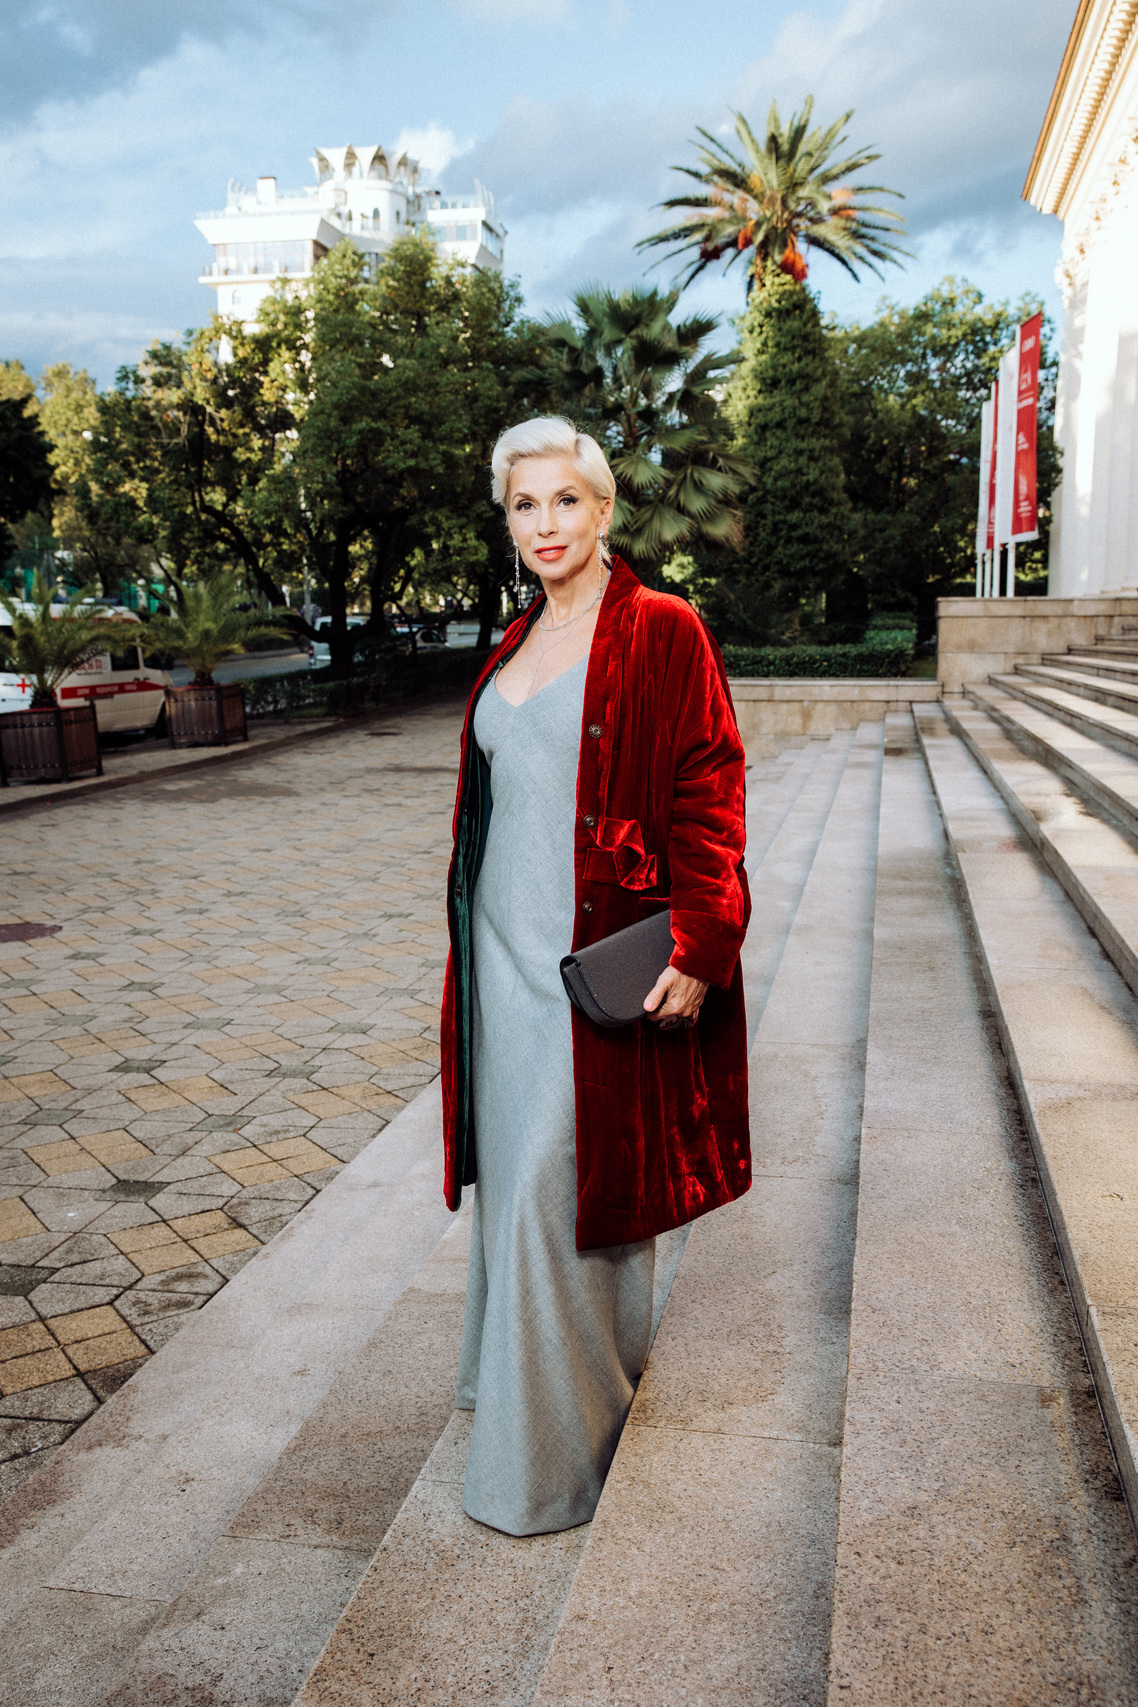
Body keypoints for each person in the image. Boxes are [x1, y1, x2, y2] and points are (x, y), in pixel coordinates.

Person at [441, 416, 751, 1537]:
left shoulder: (663, 628)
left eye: (564, 500)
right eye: (524, 505)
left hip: (591, 961)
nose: (545, 524)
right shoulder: (513, 640)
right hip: (498, 960)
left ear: (605, 508)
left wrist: (703, 942)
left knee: (558, 1189)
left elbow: (711, 785)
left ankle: (547, 1468)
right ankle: (525, 1394)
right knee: (521, 1189)